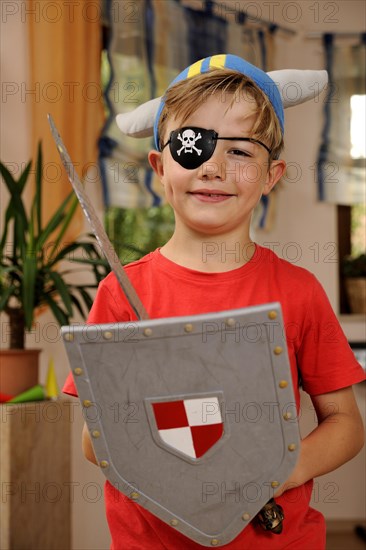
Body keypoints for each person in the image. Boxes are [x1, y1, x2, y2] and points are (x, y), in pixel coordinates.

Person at [63, 54, 365, 549]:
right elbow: (97, 444)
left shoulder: (299, 291)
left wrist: (283, 469)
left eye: (242, 151)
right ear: (160, 167)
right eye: (192, 145)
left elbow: (346, 426)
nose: (213, 166)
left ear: (272, 175)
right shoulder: (121, 294)